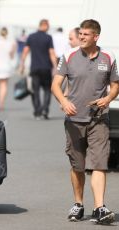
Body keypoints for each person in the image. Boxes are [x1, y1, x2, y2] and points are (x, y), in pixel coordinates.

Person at [51, 19, 118, 224]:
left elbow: (115, 85)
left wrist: (107, 99)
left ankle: (99, 207)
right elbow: (55, 84)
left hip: (99, 119)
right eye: (80, 34)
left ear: (95, 36)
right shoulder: (69, 56)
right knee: (78, 165)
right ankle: (78, 204)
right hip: (74, 120)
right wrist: (63, 101)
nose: (81, 37)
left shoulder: (108, 57)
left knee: (99, 163)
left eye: (85, 35)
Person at [19, 19, 57, 120]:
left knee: (35, 91)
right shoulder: (48, 37)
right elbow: (52, 53)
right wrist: (55, 67)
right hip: (46, 68)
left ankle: (37, 112)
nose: (48, 27)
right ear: (45, 25)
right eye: (48, 25)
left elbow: (25, 51)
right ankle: (45, 110)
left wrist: (21, 65)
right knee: (47, 90)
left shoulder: (31, 37)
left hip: (34, 68)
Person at [0, 27, 17, 110]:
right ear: (7, 33)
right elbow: (12, 56)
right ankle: (1, 103)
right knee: (4, 85)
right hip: (6, 66)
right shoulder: (11, 43)